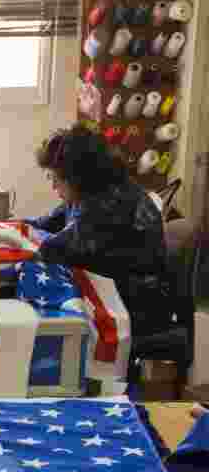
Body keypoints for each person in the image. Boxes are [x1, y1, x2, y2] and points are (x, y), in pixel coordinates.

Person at [27, 124, 172, 335]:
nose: (54, 187)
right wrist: (5, 227)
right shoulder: (88, 193)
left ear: (75, 176)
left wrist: (8, 242)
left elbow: (52, 249)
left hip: (135, 306)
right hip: (112, 293)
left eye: (56, 179)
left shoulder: (112, 201)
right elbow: (43, 224)